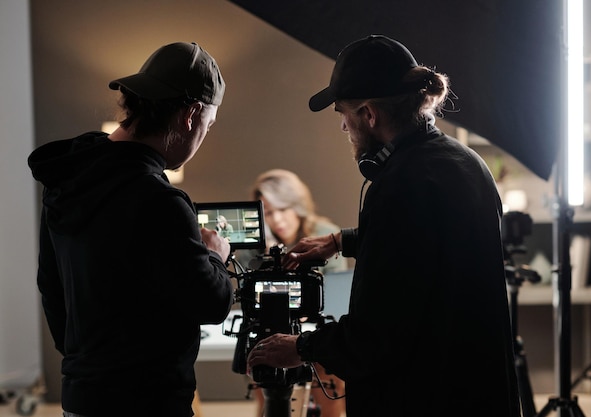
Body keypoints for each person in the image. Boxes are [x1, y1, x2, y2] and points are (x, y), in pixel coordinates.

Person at [247, 35, 521, 417]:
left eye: (343, 114)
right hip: (475, 391)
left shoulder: (398, 186)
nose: (344, 127)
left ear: (369, 115)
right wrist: (340, 241)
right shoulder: (464, 162)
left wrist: (300, 347)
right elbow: (432, 244)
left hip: (424, 396)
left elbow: (378, 334)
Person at [27, 42, 233, 417]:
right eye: (209, 125)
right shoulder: (160, 201)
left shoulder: (67, 179)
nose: (204, 136)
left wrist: (91, 360)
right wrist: (216, 256)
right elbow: (212, 303)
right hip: (148, 402)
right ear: (190, 115)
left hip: (81, 397)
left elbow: (50, 287)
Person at [246, 168, 347, 417]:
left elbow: (330, 292)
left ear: (297, 205)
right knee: (266, 390)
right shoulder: (256, 245)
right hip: (269, 331)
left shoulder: (325, 235)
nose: (276, 220)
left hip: (318, 335)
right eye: (268, 212)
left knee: (329, 401)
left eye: (282, 209)